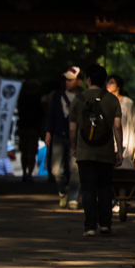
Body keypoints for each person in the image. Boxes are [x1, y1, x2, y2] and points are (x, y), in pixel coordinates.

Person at [69, 63, 124, 237]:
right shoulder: (112, 100)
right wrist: (119, 151)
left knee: (88, 189)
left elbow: (72, 129)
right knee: (105, 188)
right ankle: (106, 224)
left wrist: (74, 147)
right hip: (105, 153)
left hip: (85, 153)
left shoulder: (77, 100)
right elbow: (117, 126)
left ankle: (90, 226)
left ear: (88, 79)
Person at [45, 66, 84, 209]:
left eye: (71, 79)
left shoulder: (83, 97)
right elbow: (51, 115)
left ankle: (73, 197)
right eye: (66, 79)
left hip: (78, 138)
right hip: (58, 136)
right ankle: (63, 191)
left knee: (75, 168)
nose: (67, 82)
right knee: (56, 170)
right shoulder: (57, 95)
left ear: (79, 82)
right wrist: (48, 132)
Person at [106, 74, 135, 169]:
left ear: (118, 86)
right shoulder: (105, 101)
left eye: (111, 82)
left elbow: (134, 123)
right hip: (108, 142)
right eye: (107, 82)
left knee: (123, 169)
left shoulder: (128, 103)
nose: (108, 84)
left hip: (126, 140)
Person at [16, 79, 45, 182]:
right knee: (32, 152)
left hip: (23, 127)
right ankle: (30, 173)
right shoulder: (38, 99)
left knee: (24, 151)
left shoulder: (22, 98)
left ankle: (24, 172)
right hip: (34, 129)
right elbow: (41, 115)